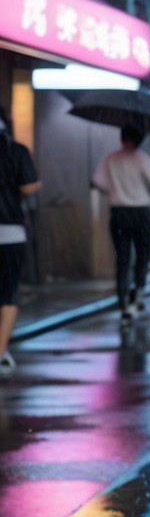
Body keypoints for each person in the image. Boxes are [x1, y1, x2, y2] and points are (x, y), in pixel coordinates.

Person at [91, 126, 150, 322]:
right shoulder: (144, 159)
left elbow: (97, 182)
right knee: (143, 255)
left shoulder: (110, 159)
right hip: (141, 211)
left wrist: (114, 190)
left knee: (122, 257)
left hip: (118, 212)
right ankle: (138, 294)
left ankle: (122, 299)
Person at [0, 103, 39, 375]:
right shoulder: (16, 150)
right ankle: (0, 351)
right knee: (7, 294)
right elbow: (27, 186)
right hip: (10, 232)